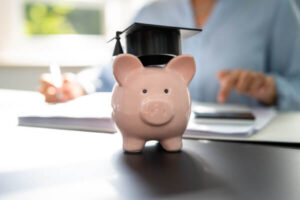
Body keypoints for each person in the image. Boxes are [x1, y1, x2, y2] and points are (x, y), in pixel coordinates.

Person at [39, 0, 300, 110]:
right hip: (156, 150)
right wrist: (79, 86)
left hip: (251, 158)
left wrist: (274, 90)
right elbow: (112, 75)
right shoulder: (153, 12)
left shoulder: (275, 8)